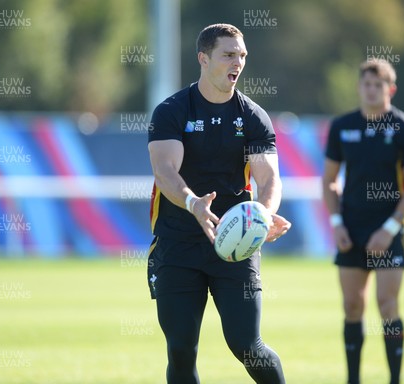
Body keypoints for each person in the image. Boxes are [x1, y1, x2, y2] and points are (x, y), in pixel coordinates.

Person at [146, 23, 290, 384]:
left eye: (242, 55)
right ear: (203, 58)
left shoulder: (253, 117)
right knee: (181, 349)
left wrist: (266, 213)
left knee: (246, 344)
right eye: (228, 54)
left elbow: (269, 178)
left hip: (236, 245)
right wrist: (193, 203)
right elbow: (165, 171)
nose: (238, 62)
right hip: (178, 244)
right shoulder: (172, 111)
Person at [322, 58, 404, 384]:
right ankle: (353, 379)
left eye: (378, 85)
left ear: (390, 89)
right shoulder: (342, 126)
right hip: (351, 229)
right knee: (352, 305)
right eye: (366, 84)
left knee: (386, 304)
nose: (371, 90)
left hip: (388, 230)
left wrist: (390, 228)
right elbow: (328, 181)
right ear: (358, 88)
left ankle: (394, 380)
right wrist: (337, 222)